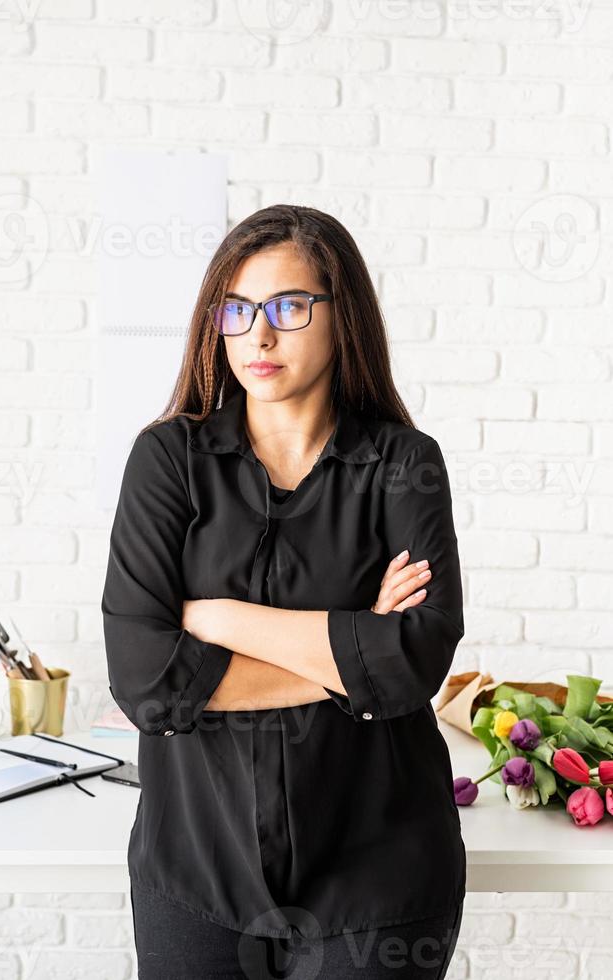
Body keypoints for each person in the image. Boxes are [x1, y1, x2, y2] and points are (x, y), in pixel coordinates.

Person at [102, 204, 466, 979]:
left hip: (378, 875)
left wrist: (216, 618)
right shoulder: (167, 460)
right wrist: (351, 652)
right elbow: (147, 683)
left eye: (288, 307)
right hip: (196, 870)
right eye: (236, 310)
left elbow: (415, 663)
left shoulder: (404, 465)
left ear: (344, 317)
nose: (258, 335)